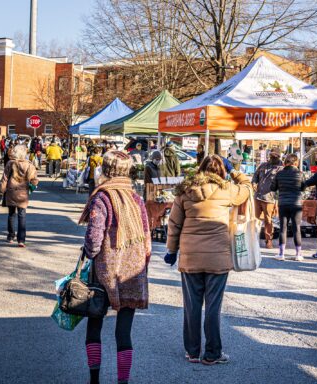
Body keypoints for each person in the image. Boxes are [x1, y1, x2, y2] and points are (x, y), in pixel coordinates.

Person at [166, 155, 251, 365]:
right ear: (221, 171)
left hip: (190, 257)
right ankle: (212, 353)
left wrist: (171, 250)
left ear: (200, 169)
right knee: (213, 307)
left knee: (191, 306)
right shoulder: (228, 190)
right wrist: (234, 170)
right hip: (218, 259)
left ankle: (192, 352)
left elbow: (174, 223)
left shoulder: (185, 191)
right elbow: (248, 187)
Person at [79, 150, 151, 384]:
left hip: (105, 271)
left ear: (106, 170)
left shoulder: (102, 198)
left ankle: (94, 380)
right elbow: (147, 238)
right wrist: (142, 263)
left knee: (95, 325)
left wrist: (89, 254)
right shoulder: (136, 199)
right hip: (133, 270)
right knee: (124, 333)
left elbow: (94, 239)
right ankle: (123, 381)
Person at [0, 145, 39, 247]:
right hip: (23, 193)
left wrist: (0, 192)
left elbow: (4, 179)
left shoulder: (10, 163)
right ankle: (21, 239)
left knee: (11, 214)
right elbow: (34, 180)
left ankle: (11, 236)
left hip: (11, 191)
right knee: (22, 215)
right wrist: (31, 188)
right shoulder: (29, 165)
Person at [270, 154, 306, 261]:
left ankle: (281, 254)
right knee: (296, 229)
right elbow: (303, 188)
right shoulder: (300, 174)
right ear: (296, 163)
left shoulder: (279, 173)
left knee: (283, 228)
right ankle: (298, 254)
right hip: (296, 204)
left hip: (283, 203)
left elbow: (273, 187)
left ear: (285, 162)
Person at [252, 147, 283, 248]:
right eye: (271, 156)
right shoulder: (263, 165)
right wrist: (254, 183)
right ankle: (253, 240)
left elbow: (281, 186)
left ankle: (268, 240)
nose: (272, 158)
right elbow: (255, 176)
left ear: (279, 156)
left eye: (274, 156)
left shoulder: (281, 168)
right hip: (258, 196)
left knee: (268, 221)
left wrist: (277, 201)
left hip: (270, 198)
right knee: (255, 219)